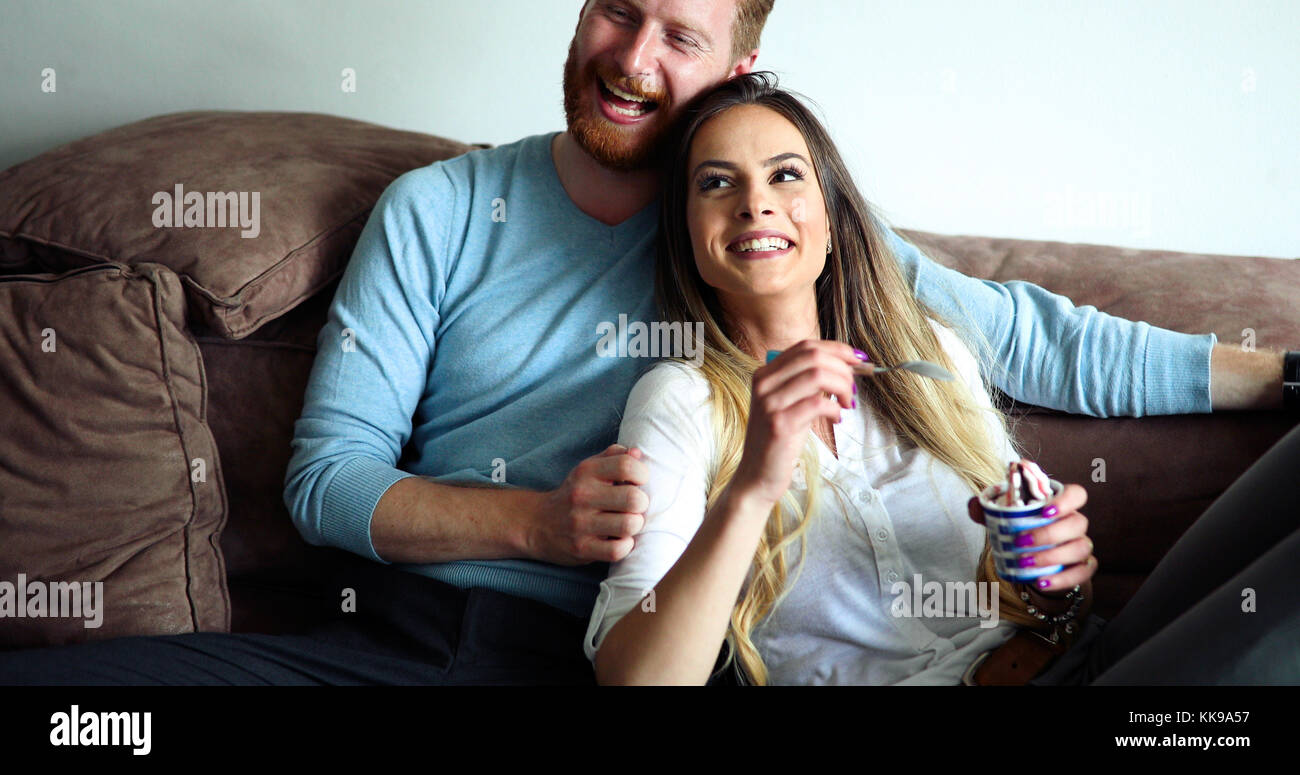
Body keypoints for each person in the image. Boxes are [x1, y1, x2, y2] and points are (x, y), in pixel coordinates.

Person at [0, 0, 1289, 685]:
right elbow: (326, 479)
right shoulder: (445, 212)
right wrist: (533, 525)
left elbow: (1029, 334)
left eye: (680, 34)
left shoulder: (781, 223)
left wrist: (1276, 373)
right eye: (616, 10)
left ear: (741, 60)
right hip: (435, 635)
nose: (629, 59)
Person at [584, 70, 1300, 685]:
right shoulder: (682, 400)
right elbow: (636, 675)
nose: (755, 201)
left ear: (833, 221)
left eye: (785, 173)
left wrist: (1053, 581)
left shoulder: (930, 351)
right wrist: (752, 488)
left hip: (1088, 657)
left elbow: (1041, 602)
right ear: (686, 232)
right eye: (717, 182)